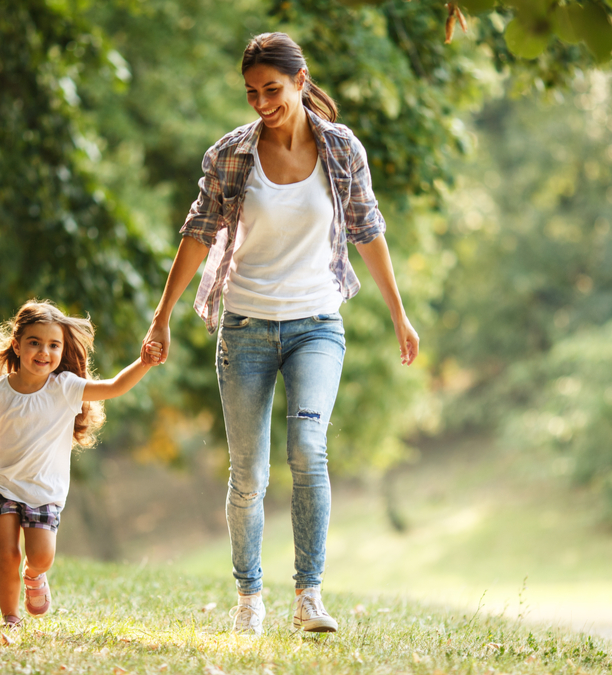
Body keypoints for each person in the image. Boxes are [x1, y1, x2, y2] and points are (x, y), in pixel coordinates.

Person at [141, 32, 419, 636]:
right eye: (251, 93)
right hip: (243, 327)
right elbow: (198, 232)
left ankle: (309, 595)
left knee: (309, 450)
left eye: (273, 89)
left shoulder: (341, 148)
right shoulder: (230, 155)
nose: (262, 102)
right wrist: (163, 315)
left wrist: (399, 313)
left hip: (317, 324)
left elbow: (367, 228)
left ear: (300, 80)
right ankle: (248, 597)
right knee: (249, 476)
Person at [0, 300, 160, 627]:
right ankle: (10, 618)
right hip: (1, 486)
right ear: (17, 345)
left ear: (62, 349)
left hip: (44, 491)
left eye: (54, 345)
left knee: (41, 556)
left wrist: (144, 362)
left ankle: (34, 575)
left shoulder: (65, 388)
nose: (44, 351)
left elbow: (114, 387)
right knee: (7, 556)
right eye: (35, 342)